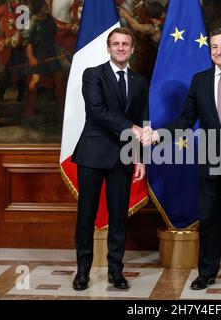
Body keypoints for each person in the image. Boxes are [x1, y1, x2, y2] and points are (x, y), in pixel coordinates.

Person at [144, 28, 221, 291]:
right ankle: (207, 272)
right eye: (214, 47)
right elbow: (186, 120)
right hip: (210, 159)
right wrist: (157, 134)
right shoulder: (200, 80)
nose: (219, 51)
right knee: (209, 219)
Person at [71, 27, 148, 291]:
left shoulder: (139, 81)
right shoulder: (92, 75)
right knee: (86, 216)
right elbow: (98, 112)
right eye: (115, 44)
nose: (120, 48)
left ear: (132, 49)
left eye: (125, 44)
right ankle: (82, 271)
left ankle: (116, 271)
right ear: (108, 47)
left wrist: (140, 158)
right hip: (93, 154)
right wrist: (133, 128)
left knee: (118, 218)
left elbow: (143, 119)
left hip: (124, 157)